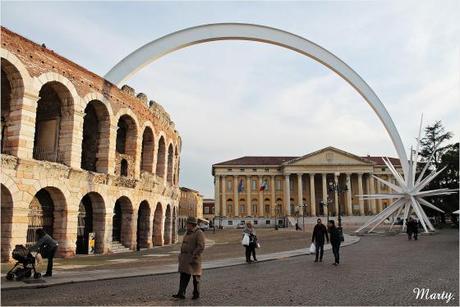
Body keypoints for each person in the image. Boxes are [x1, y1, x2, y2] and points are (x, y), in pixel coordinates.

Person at [173, 217, 205, 300]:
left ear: (191, 224)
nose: (186, 225)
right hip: (185, 258)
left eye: (187, 224)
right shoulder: (187, 232)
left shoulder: (199, 233)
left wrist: (194, 254)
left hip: (194, 259)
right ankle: (181, 293)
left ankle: (196, 294)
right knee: (183, 276)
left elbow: (201, 246)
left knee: (195, 278)